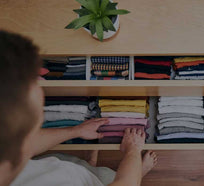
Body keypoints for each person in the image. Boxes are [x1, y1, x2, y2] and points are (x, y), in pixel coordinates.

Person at [0, 30, 157, 186]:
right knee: (116, 176)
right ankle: (138, 173)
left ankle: (89, 165)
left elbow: (27, 142)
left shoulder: (10, 151)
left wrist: (76, 131)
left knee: (78, 167)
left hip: (63, 170)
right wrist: (133, 151)